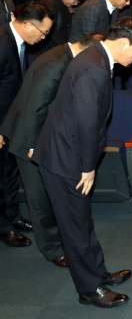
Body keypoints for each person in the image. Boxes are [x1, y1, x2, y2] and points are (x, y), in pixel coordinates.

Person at [33, 17, 132, 307]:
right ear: (123, 43)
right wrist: (88, 166)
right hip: (66, 159)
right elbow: (87, 123)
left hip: (66, 151)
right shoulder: (95, 69)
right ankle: (89, 289)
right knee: (74, 226)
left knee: (82, 222)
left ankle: (97, 272)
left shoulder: (95, 55)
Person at [0, 32, 105, 267]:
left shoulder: (66, 57)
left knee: (49, 197)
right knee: (39, 199)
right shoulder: (57, 63)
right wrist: (33, 146)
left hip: (40, 137)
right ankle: (52, 249)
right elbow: (35, 108)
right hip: (29, 140)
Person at [0, 3, 55, 248]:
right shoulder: (1, 43)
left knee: (10, 173)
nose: (44, 38)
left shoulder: (17, 43)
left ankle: (13, 217)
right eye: (43, 32)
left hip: (10, 122)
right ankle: (3, 226)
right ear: (28, 24)